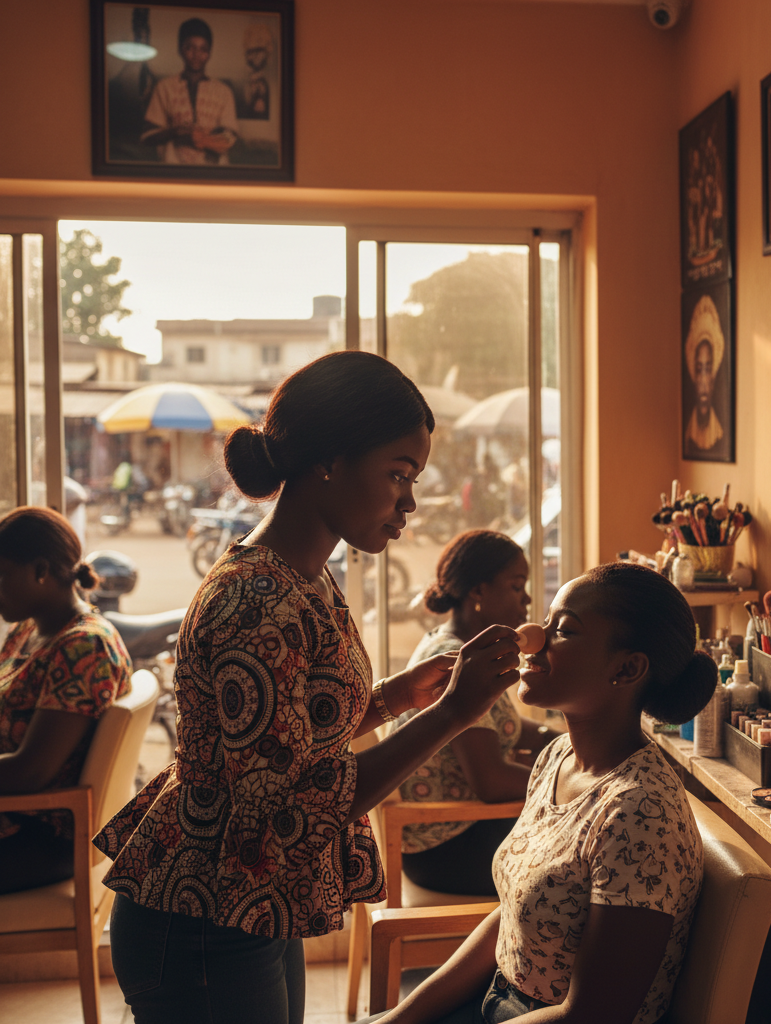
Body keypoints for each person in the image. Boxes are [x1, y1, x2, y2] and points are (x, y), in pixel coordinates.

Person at [93, 351, 525, 1024]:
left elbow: (291, 738)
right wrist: (451, 714)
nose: (410, 501)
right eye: (397, 474)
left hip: (250, 898)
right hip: (203, 916)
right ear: (329, 461)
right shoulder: (257, 599)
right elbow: (289, 804)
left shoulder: (303, 577)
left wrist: (397, 696)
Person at [360, 562, 718, 1024]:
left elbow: (591, 1017)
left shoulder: (639, 815)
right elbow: (510, 923)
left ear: (627, 668)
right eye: (546, 621)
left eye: (563, 630)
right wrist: (402, 1017)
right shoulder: (556, 758)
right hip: (497, 1002)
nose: (533, 636)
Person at [393, 531, 556, 896]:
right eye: (517, 586)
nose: (527, 598)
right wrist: (571, 786)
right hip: (448, 848)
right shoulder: (456, 661)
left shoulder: (454, 644)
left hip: (459, 832)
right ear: (478, 592)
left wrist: (561, 742)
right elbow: (491, 782)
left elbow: (502, 728)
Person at [0, 507, 131, 895]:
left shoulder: (84, 647)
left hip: (34, 834)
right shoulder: (27, 631)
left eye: (2, 576)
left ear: (41, 571)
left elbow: (31, 772)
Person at [141, 17, 238, 165]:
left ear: (209, 53)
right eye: (190, 47)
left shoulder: (223, 91)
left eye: (203, 49)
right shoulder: (164, 87)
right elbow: (148, 136)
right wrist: (176, 132)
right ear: (180, 49)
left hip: (214, 170)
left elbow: (229, 137)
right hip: (173, 168)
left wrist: (203, 140)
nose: (196, 55)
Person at [683, 294, 728, 459]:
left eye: (707, 369)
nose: (703, 382)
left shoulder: (720, 435)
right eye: (699, 369)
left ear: (714, 376)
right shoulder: (688, 436)